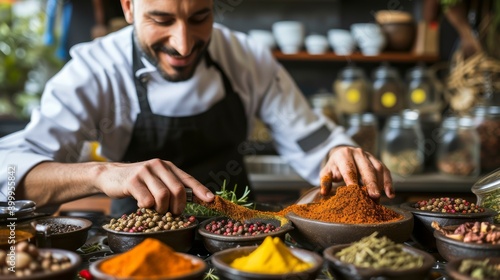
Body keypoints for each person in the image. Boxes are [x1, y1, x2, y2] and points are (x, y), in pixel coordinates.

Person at [0, 0, 394, 217]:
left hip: (239, 241)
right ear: (128, 8)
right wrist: (102, 173)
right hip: (138, 239)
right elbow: (10, 171)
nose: (184, 45)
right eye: (161, 19)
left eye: (200, 18)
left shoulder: (245, 57)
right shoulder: (94, 70)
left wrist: (338, 155)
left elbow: (313, 142)